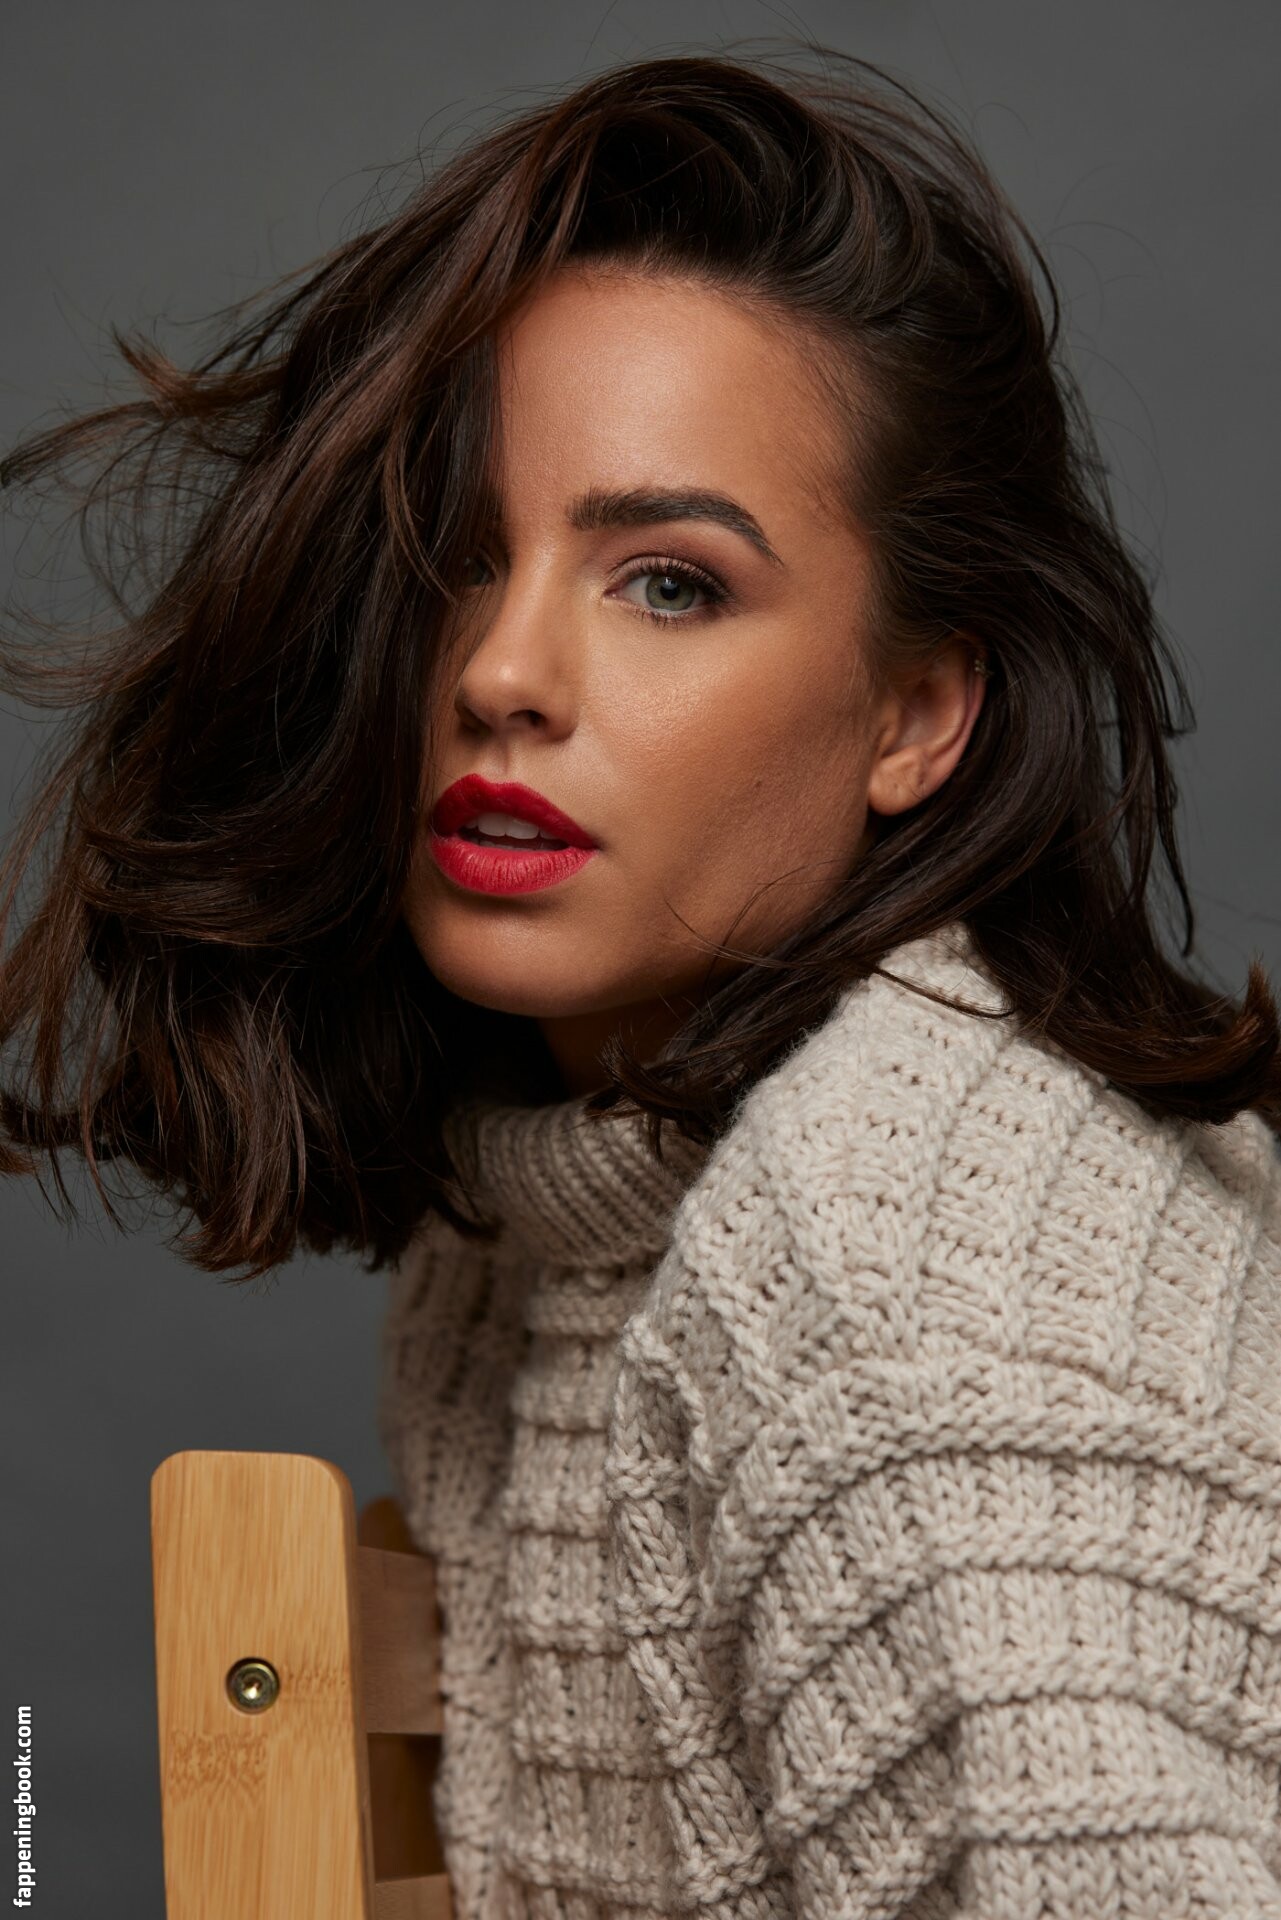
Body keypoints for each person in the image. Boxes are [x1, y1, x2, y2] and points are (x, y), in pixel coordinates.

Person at [3, 44, 1281, 1920]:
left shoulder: (892, 1265)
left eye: (669, 582)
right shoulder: (533, 1235)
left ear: (915, 715)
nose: (500, 672)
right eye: (456, 555)